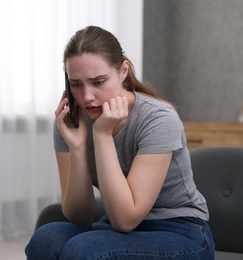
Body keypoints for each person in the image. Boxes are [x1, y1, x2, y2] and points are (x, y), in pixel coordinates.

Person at [25, 25, 215, 259]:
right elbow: (80, 216)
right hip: (114, 225)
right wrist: (77, 147)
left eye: (98, 82)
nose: (87, 97)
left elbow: (125, 220)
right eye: (76, 84)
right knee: (45, 239)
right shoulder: (71, 122)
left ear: (123, 70)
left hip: (181, 230)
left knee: (85, 250)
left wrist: (102, 135)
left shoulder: (158, 119)